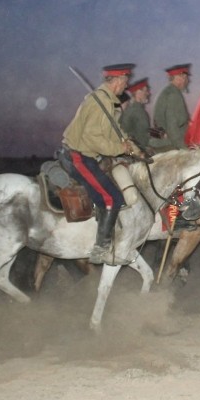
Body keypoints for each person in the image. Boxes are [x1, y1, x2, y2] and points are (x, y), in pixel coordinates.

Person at [60, 63, 144, 264]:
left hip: (87, 155)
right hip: (78, 156)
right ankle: (101, 249)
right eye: (125, 81)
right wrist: (121, 149)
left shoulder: (108, 101)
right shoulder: (102, 102)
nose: (127, 85)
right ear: (117, 81)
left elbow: (117, 132)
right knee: (112, 198)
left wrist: (135, 148)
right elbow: (92, 138)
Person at [150, 63, 191, 152]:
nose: (188, 80)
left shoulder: (168, 91)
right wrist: (183, 148)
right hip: (171, 144)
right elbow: (172, 126)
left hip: (166, 142)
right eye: (186, 77)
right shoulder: (174, 95)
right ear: (181, 77)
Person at [120, 77, 153, 152]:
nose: (148, 93)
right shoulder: (139, 111)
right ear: (138, 93)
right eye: (146, 90)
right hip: (137, 151)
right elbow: (144, 138)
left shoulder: (130, 109)